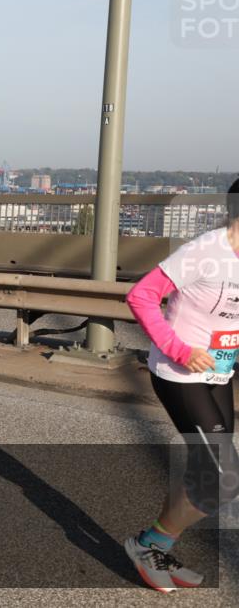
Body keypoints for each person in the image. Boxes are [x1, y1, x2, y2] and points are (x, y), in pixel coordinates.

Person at [122, 177, 239, 593]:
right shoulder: (205, 252)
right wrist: (179, 349)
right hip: (180, 374)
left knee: (205, 474)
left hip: (220, 374)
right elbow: (141, 296)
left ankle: (155, 545)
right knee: (226, 477)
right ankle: (147, 544)